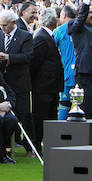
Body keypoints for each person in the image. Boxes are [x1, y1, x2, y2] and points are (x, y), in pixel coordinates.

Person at [0, 9, 34, 152]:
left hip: (20, 83)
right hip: (3, 82)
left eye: (5, 25)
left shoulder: (25, 36)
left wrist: (8, 57)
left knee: (24, 114)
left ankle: (30, 147)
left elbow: (28, 57)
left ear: (13, 23)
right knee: (5, 115)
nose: (2, 28)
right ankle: (7, 145)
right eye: (0, 25)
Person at [30, 8, 62, 153]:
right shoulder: (41, 37)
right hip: (43, 87)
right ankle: (36, 145)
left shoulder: (47, 36)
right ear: (53, 20)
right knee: (41, 117)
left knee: (50, 117)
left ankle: (48, 144)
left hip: (50, 86)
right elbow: (34, 63)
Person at [54, 4, 77, 119]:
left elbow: (50, 48)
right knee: (81, 106)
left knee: (64, 105)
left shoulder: (59, 31)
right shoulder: (83, 27)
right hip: (82, 74)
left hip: (67, 74)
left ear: (63, 15)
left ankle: (60, 131)